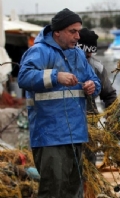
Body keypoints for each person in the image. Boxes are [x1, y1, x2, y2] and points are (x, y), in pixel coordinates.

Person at [17, 8, 101, 198]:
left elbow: (95, 81)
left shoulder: (78, 54)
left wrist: (91, 86)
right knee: (53, 192)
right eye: (73, 31)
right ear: (57, 32)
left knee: (74, 192)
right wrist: (56, 76)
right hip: (50, 137)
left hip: (77, 135)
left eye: (78, 31)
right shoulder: (39, 51)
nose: (78, 36)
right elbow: (24, 77)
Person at [76, 27, 117, 115]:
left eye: (92, 53)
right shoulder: (60, 61)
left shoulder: (97, 67)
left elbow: (109, 95)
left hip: (89, 120)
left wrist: (114, 120)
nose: (89, 56)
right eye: (86, 55)